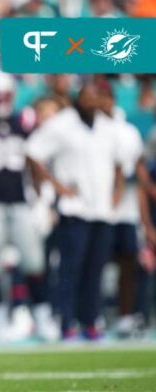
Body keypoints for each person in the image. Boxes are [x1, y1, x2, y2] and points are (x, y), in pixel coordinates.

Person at [0, 69, 56, 342]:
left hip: (20, 201)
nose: (1, 100)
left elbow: (34, 161)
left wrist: (42, 200)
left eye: (5, 94)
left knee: (34, 261)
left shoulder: (25, 121)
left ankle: (41, 313)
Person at [26, 82, 123, 340]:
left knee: (96, 270)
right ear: (78, 98)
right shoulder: (63, 123)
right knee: (71, 270)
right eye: (87, 96)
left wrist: (117, 192)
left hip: (102, 209)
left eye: (95, 96)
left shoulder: (107, 126)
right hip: (74, 209)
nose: (91, 101)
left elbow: (120, 162)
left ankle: (90, 321)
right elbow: (33, 151)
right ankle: (66, 322)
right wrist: (56, 184)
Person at [97, 81, 145, 338]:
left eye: (105, 97)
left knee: (128, 263)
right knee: (95, 263)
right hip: (96, 204)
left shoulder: (127, 131)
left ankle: (126, 316)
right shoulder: (89, 130)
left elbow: (136, 168)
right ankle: (94, 315)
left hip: (124, 205)